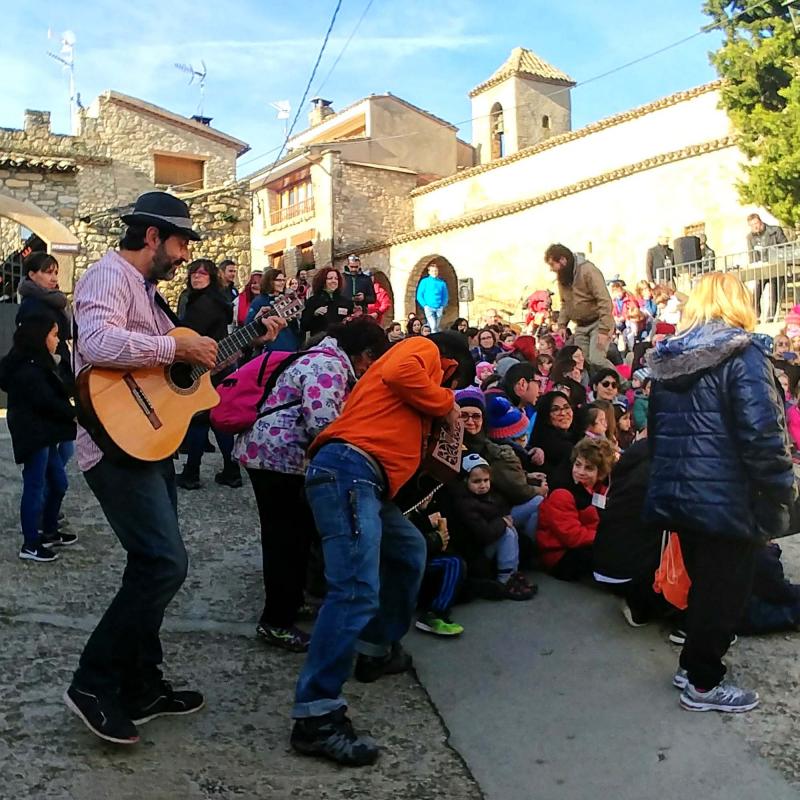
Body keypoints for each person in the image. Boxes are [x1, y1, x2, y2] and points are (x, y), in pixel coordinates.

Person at [63, 191, 284, 745]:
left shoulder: (147, 291)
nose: (185, 255)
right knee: (164, 564)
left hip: (151, 440)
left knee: (152, 563)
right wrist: (174, 345)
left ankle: (141, 685)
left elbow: (187, 376)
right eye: (181, 241)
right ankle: (93, 683)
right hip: (115, 446)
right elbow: (95, 342)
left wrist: (245, 344)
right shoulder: (109, 276)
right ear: (153, 236)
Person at [290, 332, 472, 766]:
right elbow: (398, 370)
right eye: (453, 380)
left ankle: (375, 651)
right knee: (354, 590)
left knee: (409, 550)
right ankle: (315, 715)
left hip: (364, 477)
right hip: (350, 470)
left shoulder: (409, 388)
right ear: (451, 364)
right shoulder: (423, 351)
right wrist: (447, 403)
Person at [645, 271, 795, 713]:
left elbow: (657, 433)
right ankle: (704, 684)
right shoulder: (743, 355)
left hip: (682, 494)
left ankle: (691, 666)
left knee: (706, 586)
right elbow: (762, 432)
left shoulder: (669, 359)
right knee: (724, 592)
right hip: (728, 496)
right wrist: (780, 489)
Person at [234, 318, 390, 652]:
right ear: (364, 353)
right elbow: (322, 424)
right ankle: (276, 621)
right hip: (278, 459)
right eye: (372, 359)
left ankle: (289, 601)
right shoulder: (327, 367)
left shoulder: (324, 359)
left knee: (297, 534)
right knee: (285, 539)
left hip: (275, 455)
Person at [0, 315, 77, 562]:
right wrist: (79, 415)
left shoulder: (41, 363)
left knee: (58, 482)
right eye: (54, 335)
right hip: (33, 435)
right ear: (39, 337)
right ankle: (31, 543)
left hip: (45, 433)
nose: (58, 341)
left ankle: (49, 529)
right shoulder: (29, 370)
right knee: (35, 486)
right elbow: (50, 402)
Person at [177, 259, 241, 490]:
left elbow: (189, 334)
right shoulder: (218, 299)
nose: (197, 277)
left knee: (199, 420)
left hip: (203, 367)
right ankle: (231, 470)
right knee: (216, 420)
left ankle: (192, 473)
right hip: (219, 366)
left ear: (211, 277)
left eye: (202, 274)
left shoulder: (203, 303)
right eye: (194, 273)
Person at [448, 453, 535, 600]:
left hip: (488, 540)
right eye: (476, 481)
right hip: (477, 552)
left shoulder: (492, 494)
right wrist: (502, 522)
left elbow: (502, 510)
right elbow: (483, 534)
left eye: (486, 480)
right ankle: (505, 578)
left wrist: (503, 521)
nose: (483, 485)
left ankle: (512, 572)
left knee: (510, 530)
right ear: (465, 481)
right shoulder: (464, 503)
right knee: (507, 533)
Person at [536, 437, 615, 580]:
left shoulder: (599, 489)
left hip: (585, 543)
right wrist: (605, 538)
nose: (580, 472)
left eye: (589, 468)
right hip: (560, 556)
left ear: (601, 473)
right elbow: (572, 536)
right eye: (578, 465)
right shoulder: (562, 493)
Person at [545, 243, 614, 371]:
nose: (551, 269)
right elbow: (565, 303)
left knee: (597, 360)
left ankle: (623, 383)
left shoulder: (588, 271)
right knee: (584, 362)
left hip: (598, 323)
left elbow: (604, 301)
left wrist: (604, 330)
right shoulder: (563, 277)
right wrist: (562, 324)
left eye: (552, 264)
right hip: (581, 327)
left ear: (563, 260)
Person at [16, 252, 74, 393]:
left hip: (56, 368)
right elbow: (34, 348)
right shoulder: (32, 305)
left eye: (56, 272)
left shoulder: (52, 301)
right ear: (32, 274)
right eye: (48, 273)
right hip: (47, 375)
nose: (54, 278)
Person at [246, 268, 302, 353]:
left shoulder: (285, 299)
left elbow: (294, 328)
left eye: (283, 280)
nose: (282, 283)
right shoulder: (258, 301)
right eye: (278, 280)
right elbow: (248, 327)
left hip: (290, 346)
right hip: (271, 349)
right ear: (269, 281)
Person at [529, 391, 576, 481]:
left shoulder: (572, 437)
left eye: (566, 407)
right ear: (546, 415)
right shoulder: (554, 445)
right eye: (555, 409)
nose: (563, 413)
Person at [301, 267, 354, 338]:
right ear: (322, 281)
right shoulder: (313, 301)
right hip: (321, 342)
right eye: (330, 278)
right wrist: (315, 314)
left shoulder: (345, 301)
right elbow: (304, 326)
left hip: (341, 342)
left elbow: (352, 324)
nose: (334, 281)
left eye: (336, 278)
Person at [416, 264, 449, 333]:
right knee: (433, 326)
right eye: (433, 271)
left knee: (435, 326)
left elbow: (445, 296)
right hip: (429, 307)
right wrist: (425, 305)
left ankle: (428, 337)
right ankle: (434, 340)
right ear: (429, 272)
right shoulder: (424, 282)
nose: (434, 272)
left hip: (439, 307)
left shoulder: (442, 283)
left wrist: (443, 305)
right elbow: (419, 295)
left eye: (436, 271)